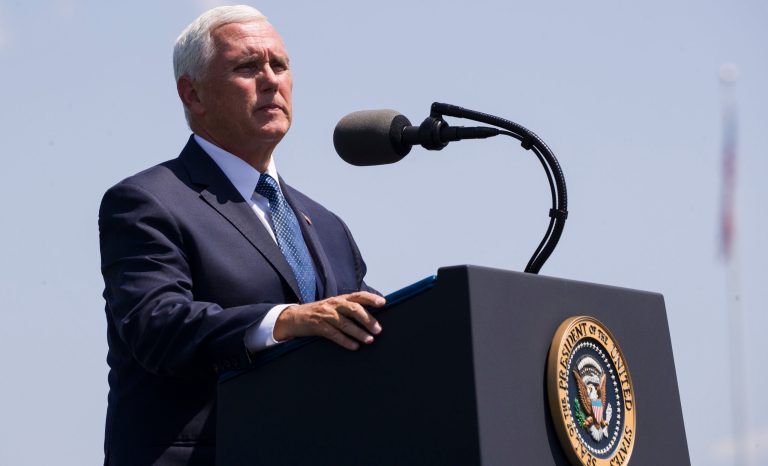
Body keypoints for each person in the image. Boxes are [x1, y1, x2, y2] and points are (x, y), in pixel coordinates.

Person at [98, 5, 384, 465]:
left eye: (280, 65)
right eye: (248, 67)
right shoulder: (148, 202)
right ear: (192, 94)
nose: (271, 80)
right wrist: (285, 321)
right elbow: (158, 327)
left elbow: (370, 332)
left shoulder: (328, 227)